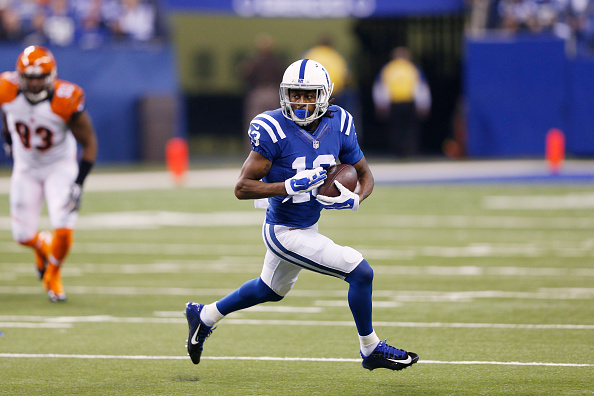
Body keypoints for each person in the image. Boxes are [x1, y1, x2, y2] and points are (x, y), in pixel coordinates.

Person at [184, 59, 419, 371]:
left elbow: (365, 175)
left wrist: (356, 198)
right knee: (360, 272)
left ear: (325, 96)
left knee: (269, 290)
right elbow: (242, 187)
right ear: (285, 94)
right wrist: (287, 186)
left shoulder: (339, 122)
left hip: (308, 224)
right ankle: (370, 348)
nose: (301, 102)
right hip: (284, 230)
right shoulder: (272, 128)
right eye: (296, 94)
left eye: (309, 95)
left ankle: (204, 316)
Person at [0, 46, 98, 302]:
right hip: (26, 167)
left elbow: (89, 143)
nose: (33, 83)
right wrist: (7, 137)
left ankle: (52, 274)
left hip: (59, 167)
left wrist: (78, 182)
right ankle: (42, 245)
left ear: (51, 75)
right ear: (20, 75)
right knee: (21, 236)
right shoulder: (6, 89)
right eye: (29, 77)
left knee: (64, 229)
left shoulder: (66, 98)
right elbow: (6, 112)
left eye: (39, 76)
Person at [372, 46, 431, 158]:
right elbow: (421, 87)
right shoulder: (412, 68)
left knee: (396, 128)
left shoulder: (388, 68)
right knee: (410, 129)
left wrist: (381, 104)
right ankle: (410, 150)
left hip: (394, 103)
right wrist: (423, 105)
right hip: (409, 102)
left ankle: (398, 152)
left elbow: (380, 87)